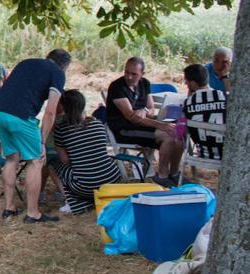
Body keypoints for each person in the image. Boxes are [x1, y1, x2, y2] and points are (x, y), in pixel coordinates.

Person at [0, 48, 71, 223]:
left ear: (47, 58)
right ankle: (33, 212)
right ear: (64, 66)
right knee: (36, 160)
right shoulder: (57, 73)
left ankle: (9, 207)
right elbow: (50, 112)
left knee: (12, 158)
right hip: (20, 116)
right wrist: (42, 140)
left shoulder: (25, 63)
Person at [104, 57, 183, 187]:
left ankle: (174, 174)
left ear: (142, 74)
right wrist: (162, 125)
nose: (129, 76)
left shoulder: (144, 84)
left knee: (178, 134)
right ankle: (162, 176)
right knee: (168, 135)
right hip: (124, 129)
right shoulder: (117, 87)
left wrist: (144, 110)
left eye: (133, 74)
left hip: (142, 125)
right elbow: (131, 117)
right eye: (126, 72)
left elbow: (151, 109)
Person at [51, 90, 124, 214]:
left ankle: (70, 201)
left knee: (53, 166)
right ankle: (98, 197)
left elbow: (65, 160)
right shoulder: (98, 124)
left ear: (63, 106)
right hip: (112, 178)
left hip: (85, 185)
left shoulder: (61, 130)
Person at [182, 64, 227, 160]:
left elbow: (181, 128)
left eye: (187, 80)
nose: (185, 83)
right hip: (226, 153)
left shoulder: (188, 102)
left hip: (204, 152)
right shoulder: (224, 97)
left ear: (193, 83)